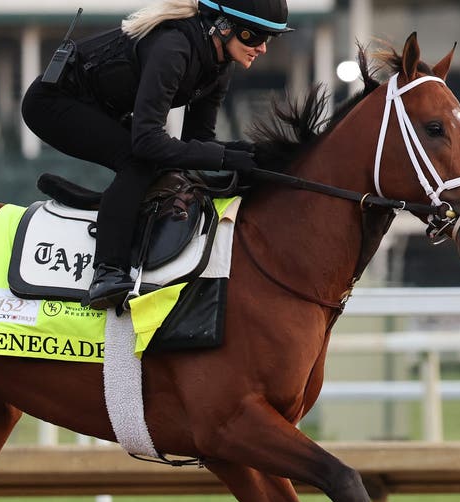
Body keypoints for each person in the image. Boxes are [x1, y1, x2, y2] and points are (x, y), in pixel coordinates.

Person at [22, 0, 292, 309]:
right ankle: (107, 272)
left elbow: (198, 142)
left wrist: (247, 154)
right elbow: (148, 142)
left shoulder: (218, 68)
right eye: (254, 36)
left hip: (100, 106)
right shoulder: (174, 48)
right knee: (138, 162)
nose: (262, 49)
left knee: (160, 163)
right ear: (224, 26)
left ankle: (105, 210)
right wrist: (227, 157)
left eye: (268, 38)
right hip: (52, 102)